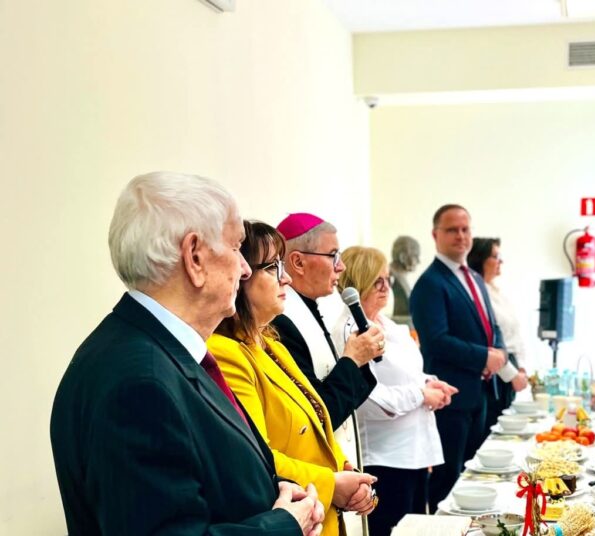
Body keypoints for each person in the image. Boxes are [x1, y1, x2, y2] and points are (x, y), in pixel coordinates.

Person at [51, 172, 324, 535]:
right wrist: (283, 526)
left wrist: (277, 492)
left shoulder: (159, 354)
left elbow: (209, 475)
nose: (245, 269)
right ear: (194, 256)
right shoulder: (140, 384)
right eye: (236, 248)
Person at [207, 221, 379, 536]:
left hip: (322, 512)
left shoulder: (272, 345)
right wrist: (332, 483)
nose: (285, 277)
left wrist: (346, 469)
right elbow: (257, 457)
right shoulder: (225, 353)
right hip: (295, 515)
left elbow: (315, 418)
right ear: (240, 276)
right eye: (273, 267)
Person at [331, 246, 456, 535]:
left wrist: (430, 383)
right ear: (358, 281)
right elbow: (370, 399)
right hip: (385, 458)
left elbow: (409, 374)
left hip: (414, 452)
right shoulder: (349, 331)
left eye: (387, 279)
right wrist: (421, 395)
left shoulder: (387, 325)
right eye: (377, 281)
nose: (386, 287)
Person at [409, 204, 508, 512]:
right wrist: (483, 357)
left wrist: (500, 352)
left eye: (465, 229)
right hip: (449, 399)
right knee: (448, 479)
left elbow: (491, 325)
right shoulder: (429, 284)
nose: (461, 236)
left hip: (480, 394)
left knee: (476, 476)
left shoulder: (475, 278)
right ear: (435, 235)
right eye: (452, 230)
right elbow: (436, 341)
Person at [468, 237, 529, 435]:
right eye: (495, 256)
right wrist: (511, 374)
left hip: (511, 364)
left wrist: (521, 367)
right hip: (497, 370)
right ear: (480, 259)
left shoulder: (496, 291)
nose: (500, 261)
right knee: (493, 430)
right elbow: (490, 341)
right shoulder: (475, 294)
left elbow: (515, 333)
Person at [390, 235, 421, 327]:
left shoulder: (401, 276)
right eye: (415, 256)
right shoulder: (391, 276)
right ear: (402, 257)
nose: (419, 261)